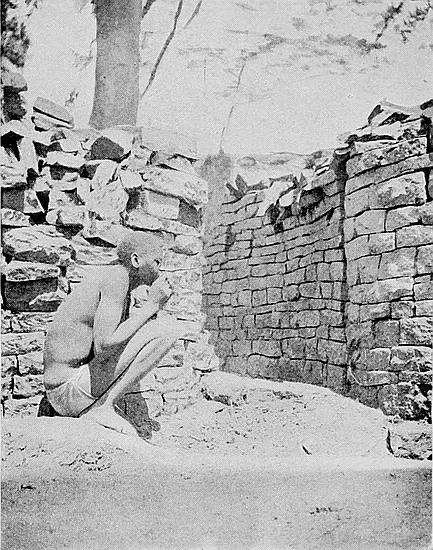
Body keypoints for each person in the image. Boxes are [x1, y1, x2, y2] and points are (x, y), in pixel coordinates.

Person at [43, 232, 185, 436]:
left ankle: (100, 405)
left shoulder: (118, 280)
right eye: (156, 262)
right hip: (67, 392)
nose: (159, 270)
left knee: (159, 328)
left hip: (66, 392)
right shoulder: (116, 278)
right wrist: (152, 305)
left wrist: (152, 308)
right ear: (136, 260)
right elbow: (105, 345)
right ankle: (103, 406)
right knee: (168, 330)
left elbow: (115, 344)